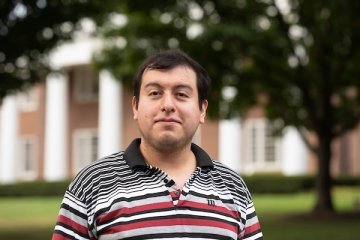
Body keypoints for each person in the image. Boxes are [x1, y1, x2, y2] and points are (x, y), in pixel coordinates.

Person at [52, 49, 263, 240]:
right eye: (155, 93)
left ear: (202, 110)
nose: (168, 105)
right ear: (135, 106)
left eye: (181, 94)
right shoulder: (91, 184)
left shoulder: (233, 187)